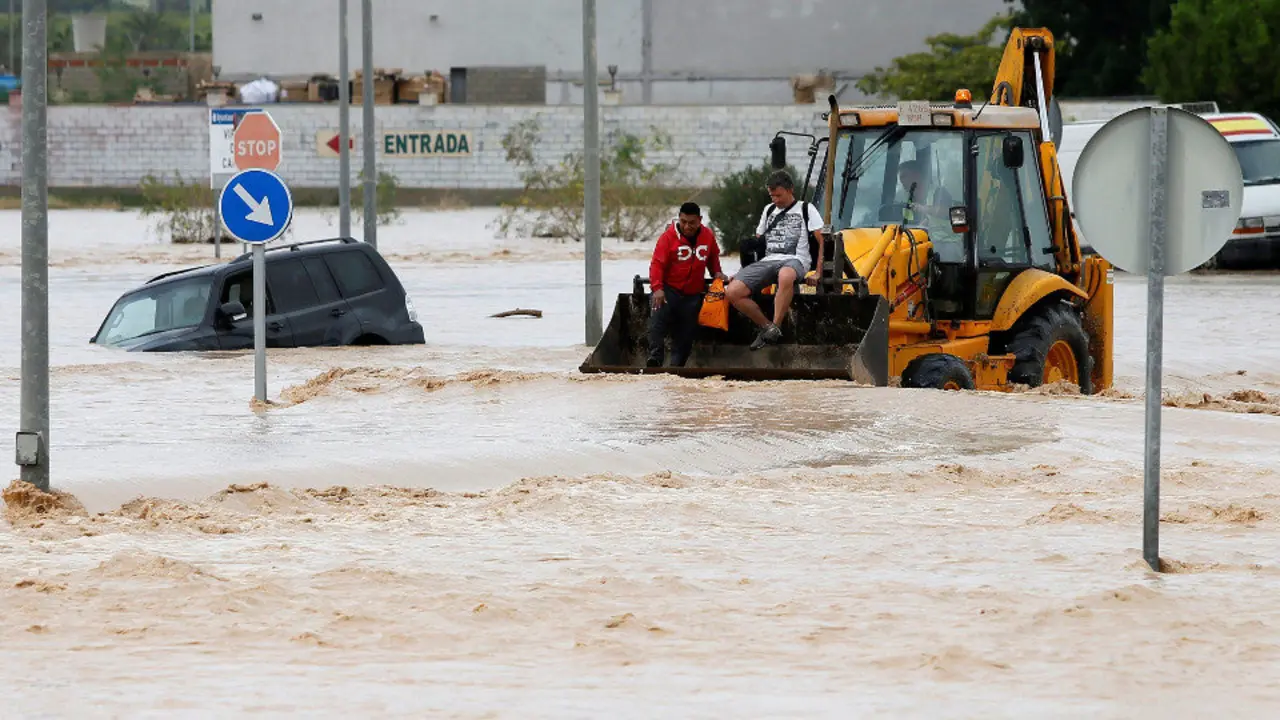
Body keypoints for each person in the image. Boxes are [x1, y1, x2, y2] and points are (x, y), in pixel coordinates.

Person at [725, 170, 825, 350]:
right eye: (772, 196)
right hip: (768, 260)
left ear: (790, 190)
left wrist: (818, 272)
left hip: (795, 260)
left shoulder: (806, 208)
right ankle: (768, 328)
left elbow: (822, 240)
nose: (775, 200)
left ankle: (777, 324)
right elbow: (758, 243)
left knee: (786, 275)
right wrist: (743, 272)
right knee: (732, 291)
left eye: (779, 195)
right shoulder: (769, 210)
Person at [646, 201, 726, 367]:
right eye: (683, 222)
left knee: (687, 332)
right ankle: (655, 359)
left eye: (692, 223)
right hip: (668, 289)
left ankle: (677, 366)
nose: (687, 226)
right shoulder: (667, 237)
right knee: (657, 322)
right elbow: (657, 264)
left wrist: (717, 273)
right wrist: (657, 288)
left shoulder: (707, 236)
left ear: (700, 220)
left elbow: (713, 258)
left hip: (692, 293)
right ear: (679, 219)